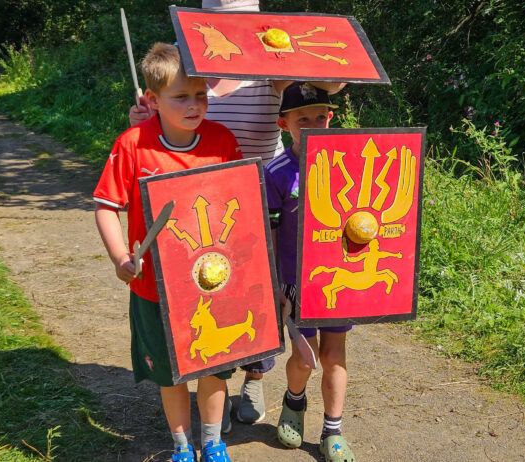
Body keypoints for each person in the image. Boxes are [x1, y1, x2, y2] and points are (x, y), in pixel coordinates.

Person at [128, 0, 346, 428]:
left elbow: (332, 82)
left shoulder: (268, 60)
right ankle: (217, 390)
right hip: (201, 201)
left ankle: (253, 379)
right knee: (212, 292)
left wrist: (302, 47)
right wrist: (144, 115)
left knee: (255, 295)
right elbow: (166, 110)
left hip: (265, 194)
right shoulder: (185, 55)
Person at [94, 42, 240, 462]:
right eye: (181, 97)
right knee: (170, 371)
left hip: (214, 284)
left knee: (213, 366)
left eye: (200, 95)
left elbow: (241, 207)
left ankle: (213, 442)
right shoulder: (132, 144)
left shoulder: (222, 141)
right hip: (154, 286)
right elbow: (106, 207)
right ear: (153, 100)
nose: (194, 105)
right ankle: (181, 446)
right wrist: (121, 257)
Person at [264, 82, 355, 462]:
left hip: (336, 279)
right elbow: (269, 234)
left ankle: (332, 430)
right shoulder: (277, 172)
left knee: (334, 355)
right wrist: (275, 286)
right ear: (285, 123)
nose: (315, 123)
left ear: (331, 117)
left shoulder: (348, 167)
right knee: (304, 357)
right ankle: (294, 400)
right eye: (304, 118)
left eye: (321, 116)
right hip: (295, 282)